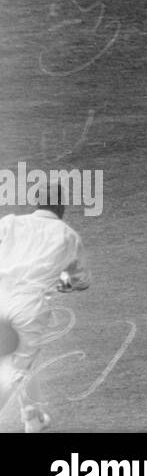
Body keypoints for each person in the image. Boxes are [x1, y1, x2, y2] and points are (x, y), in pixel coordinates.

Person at [0, 185, 91, 433]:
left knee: (16, 363)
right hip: (28, 308)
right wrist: (64, 282)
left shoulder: (9, 223)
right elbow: (81, 281)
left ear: (36, 203)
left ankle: (32, 418)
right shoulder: (67, 235)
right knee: (15, 370)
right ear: (62, 206)